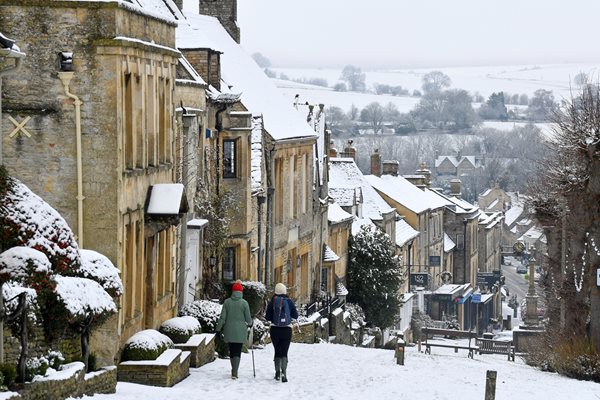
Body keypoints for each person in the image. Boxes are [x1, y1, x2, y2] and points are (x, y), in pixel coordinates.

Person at [216, 280, 252, 380]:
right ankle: (235, 371)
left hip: (229, 330)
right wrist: (250, 324)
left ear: (233, 291)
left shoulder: (227, 302)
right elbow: (248, 319)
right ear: (241, 292)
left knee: (232, 350)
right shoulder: (244, 303)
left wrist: (218, 329)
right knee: (237, 350)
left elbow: (222, 318)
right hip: (240, 331)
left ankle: (233, 370)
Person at [265, 282, 298, 383]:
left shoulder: (272, 302)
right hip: (287, 330)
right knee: (284, 351)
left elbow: (267, 317)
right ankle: (284, 372)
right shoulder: (289, 302)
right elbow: (295, 315)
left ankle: (277, 373)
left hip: (275, 330)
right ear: (284, 291)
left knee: (277, 350)